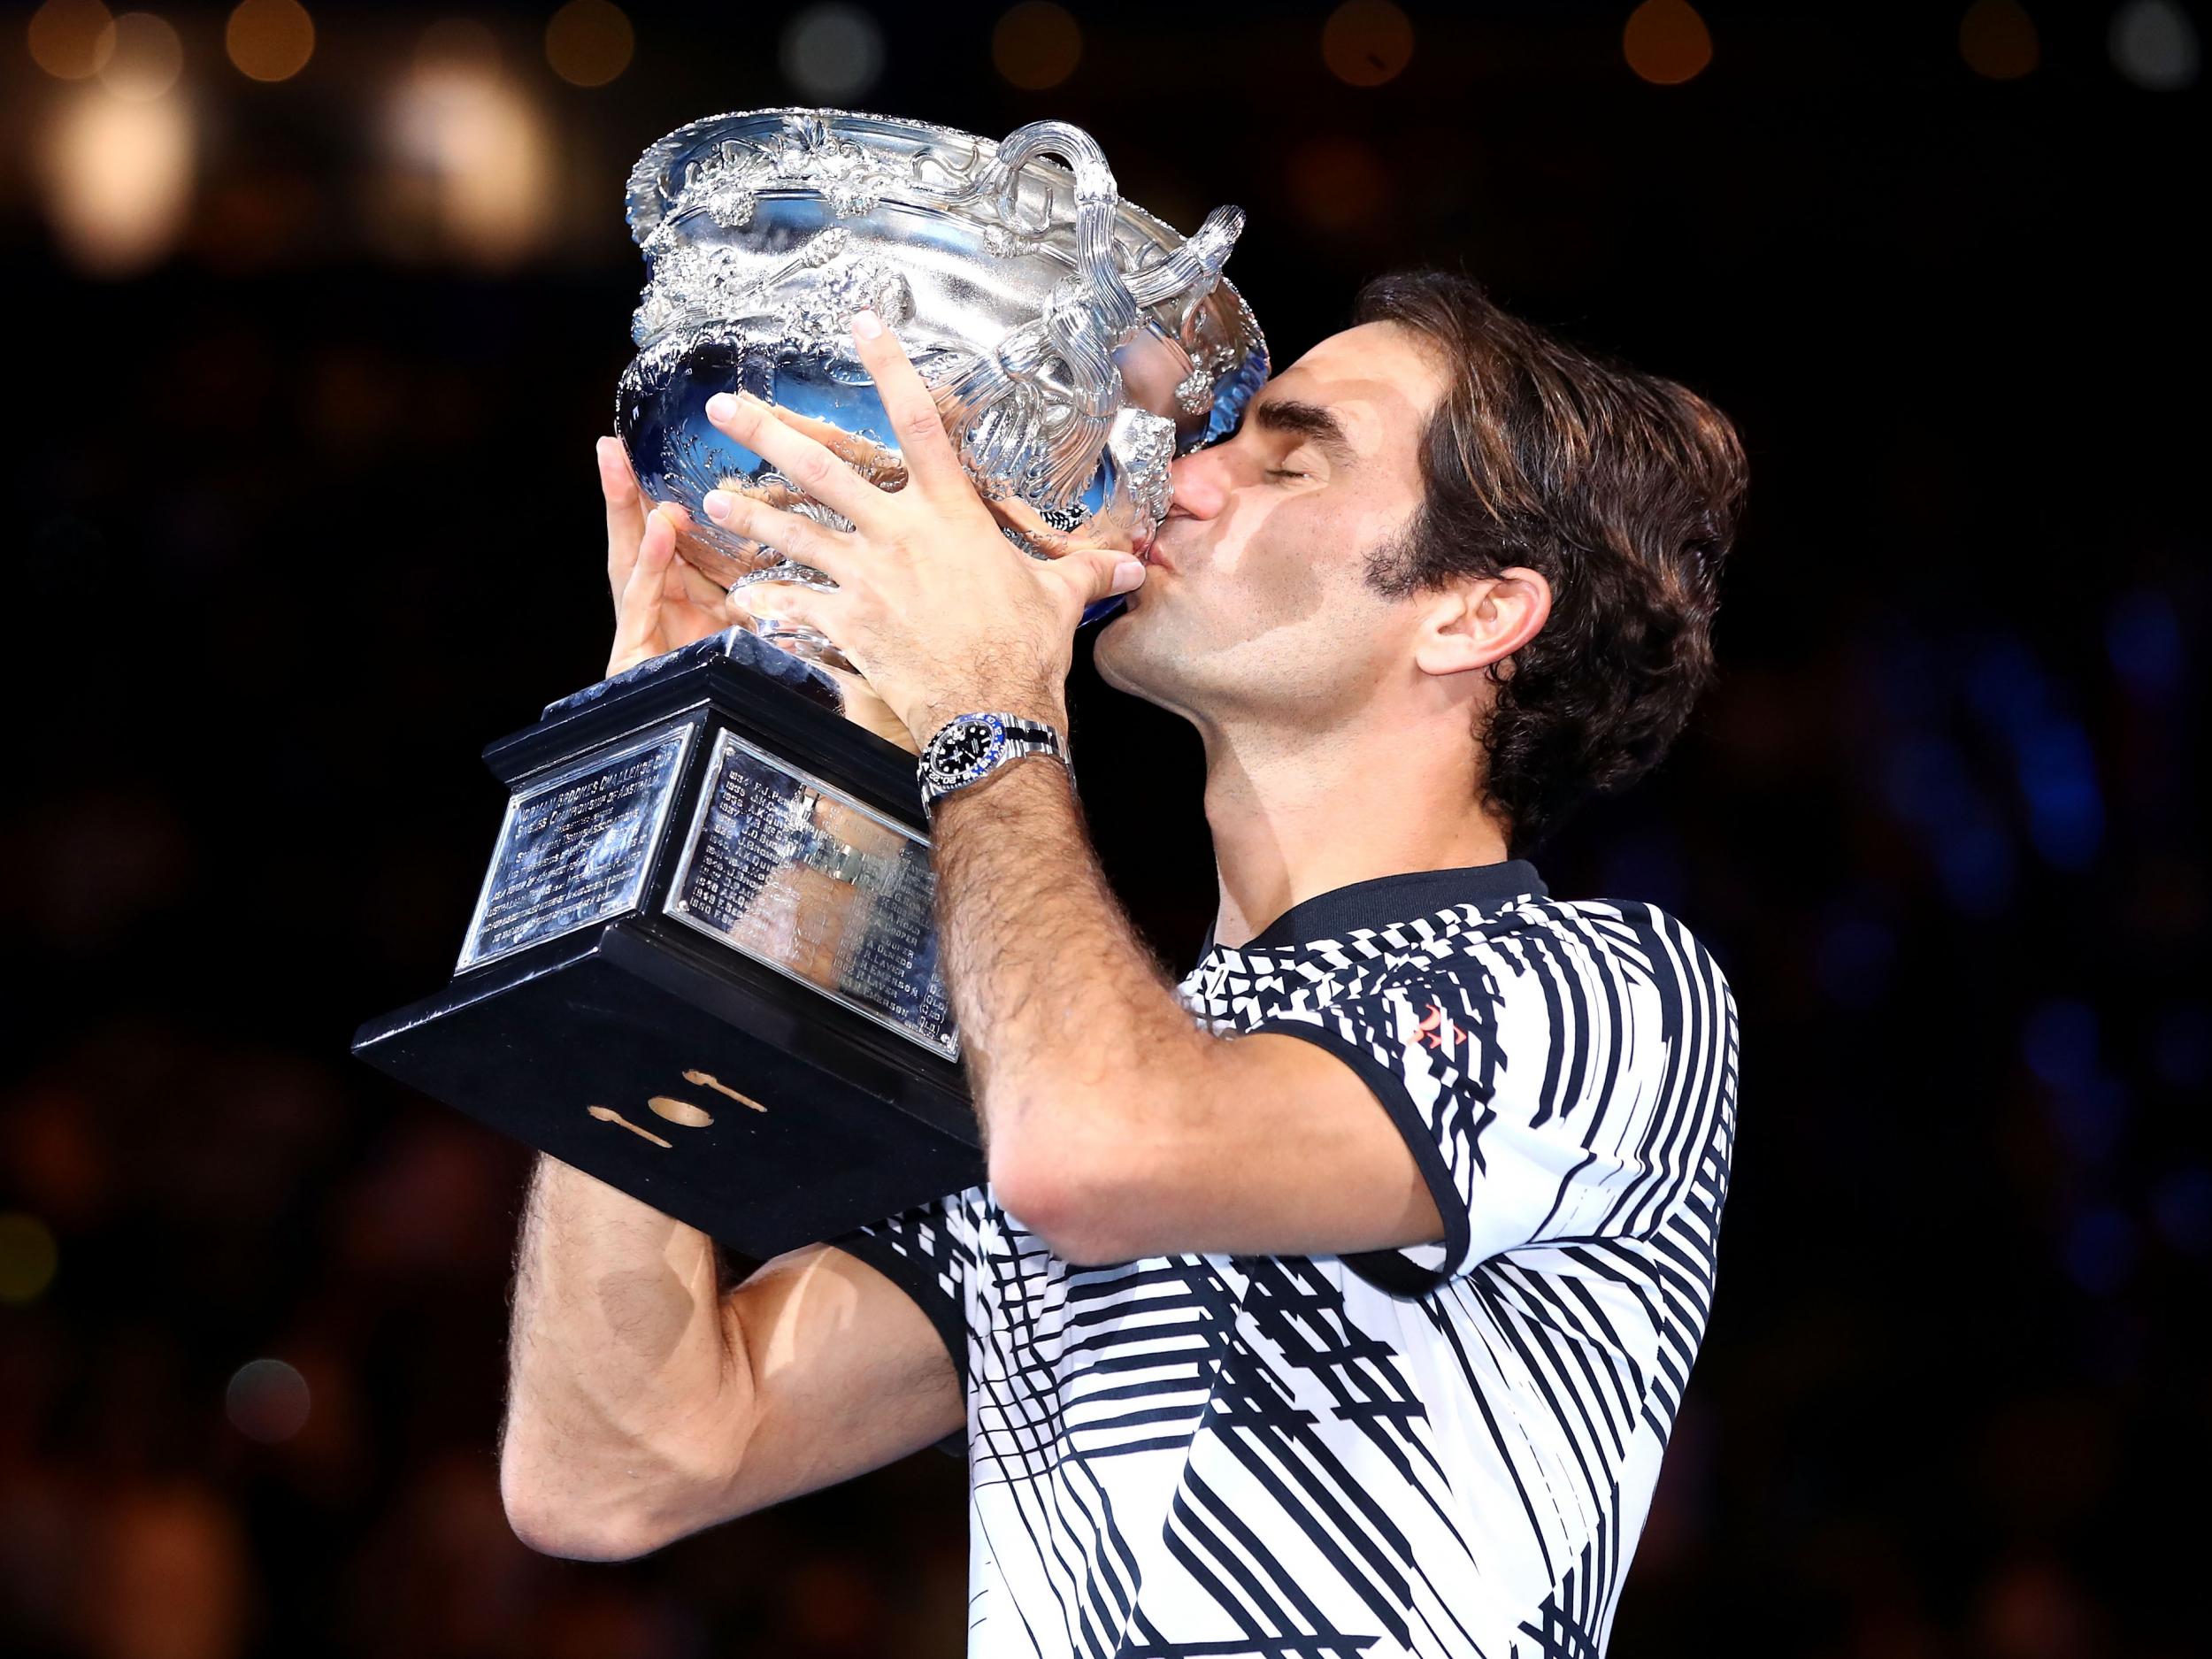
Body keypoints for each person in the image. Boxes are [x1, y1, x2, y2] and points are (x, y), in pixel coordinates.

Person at [499, 269, 1747, 1659]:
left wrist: (990, 698)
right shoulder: (1071, 1042)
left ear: (1474, 612)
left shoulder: (1602, 991)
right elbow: (613, 1467)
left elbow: (1095, 1152)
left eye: (1290, 456)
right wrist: (682, 767)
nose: (1192, 480)